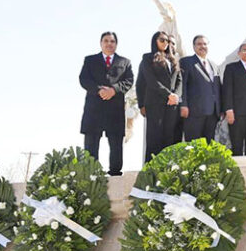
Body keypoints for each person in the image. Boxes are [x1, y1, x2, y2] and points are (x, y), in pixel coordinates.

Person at [79, 32, 134, 175]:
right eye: (106, 41)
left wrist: (113, 90)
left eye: (112, 41)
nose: (109, 43)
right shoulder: (90, 60)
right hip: (94, 108)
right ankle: (92, 174)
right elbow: (84, 79)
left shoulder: (125, 62)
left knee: (116, 144)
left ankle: (115, 173)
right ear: (101, 43)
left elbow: (128, 81)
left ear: (116, 44)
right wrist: (99, 90)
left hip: (115, 109)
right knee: (91, 143)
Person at [138, 31, 182, 162]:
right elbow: (151, 81)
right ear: (155, 41)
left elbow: (179, 80)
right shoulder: (147, 58)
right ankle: (150, 173)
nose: (165, 43)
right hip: (155, 103)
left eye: (167, 41)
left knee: (169, 138)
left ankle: (167, 171)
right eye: (162, 40)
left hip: (171, 105)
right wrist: (168, 94)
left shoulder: (174, 59)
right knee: (154, 139)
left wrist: (176, 96)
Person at [179, 35, 221, 142]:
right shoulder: (186, 62)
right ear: (194, 47)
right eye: (199, 44)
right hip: (194, 112)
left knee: (208, 146)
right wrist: (183, 105)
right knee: (193, 146)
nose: (202, 46)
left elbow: (217, 87)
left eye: (205, 44)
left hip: (212, 113)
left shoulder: (214, 65)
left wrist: (220, 108)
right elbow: (182, 85)